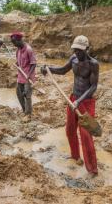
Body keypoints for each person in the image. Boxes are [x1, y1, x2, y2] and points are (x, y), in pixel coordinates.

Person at [41, 35, 99, 176]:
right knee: (70, 129)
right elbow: (62, 70)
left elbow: (93, 86)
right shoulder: (73, 59)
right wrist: (48, 68)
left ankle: (92, 169)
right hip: (72, 98)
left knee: (86, 135)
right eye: (75, 50)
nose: (77, 53)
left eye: (80, 51)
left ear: (87, 49)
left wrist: (79, 101)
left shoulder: (93, 64)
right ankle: (75, 156)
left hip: (85, 102)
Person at [10, 32, 37, 122]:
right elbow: (19, 62)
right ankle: (24, 110)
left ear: (19, 40)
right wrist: (17, 64)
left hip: (28, 77)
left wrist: (28, 76)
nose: (13, 44)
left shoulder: (29, 49)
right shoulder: (18, 50)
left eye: (14, 42)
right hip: (20, 76)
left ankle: (28, 114)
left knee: (27, 94)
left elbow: (34, 64)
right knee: (19, 93)